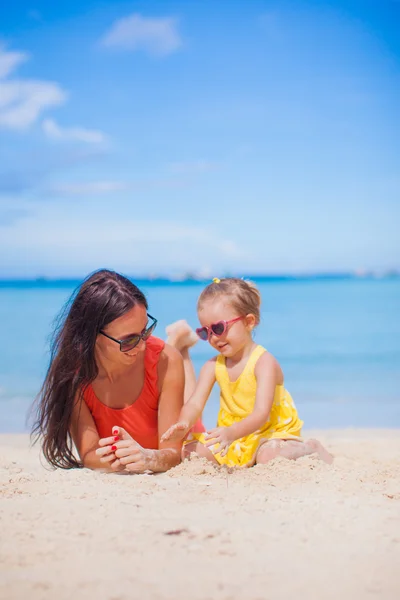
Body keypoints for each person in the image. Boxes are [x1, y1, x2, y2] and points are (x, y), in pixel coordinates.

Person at [31, 269, 204, 473]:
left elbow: (172, 453)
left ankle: (179, 346)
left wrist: (148, 457)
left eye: (145, 331)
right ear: (92, 336)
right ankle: (178, 342)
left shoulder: (164, 359)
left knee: (176, 370)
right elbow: (89, 455)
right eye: (129, 340)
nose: (141, 346)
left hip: (185, 428)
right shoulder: (74, 375)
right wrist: (126, 457)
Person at [161, 277, 333, 467]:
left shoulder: (263, 362)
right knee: (189, 451)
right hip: (233, 437)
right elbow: (194, 404)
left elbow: (261, 413)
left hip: (269, 433)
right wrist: (184, 422)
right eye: (206, 332)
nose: (213, 338)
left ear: (249, 322)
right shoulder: (212, 366)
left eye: (219, 328)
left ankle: (310, 448)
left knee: (268, 455)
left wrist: (231, 433)